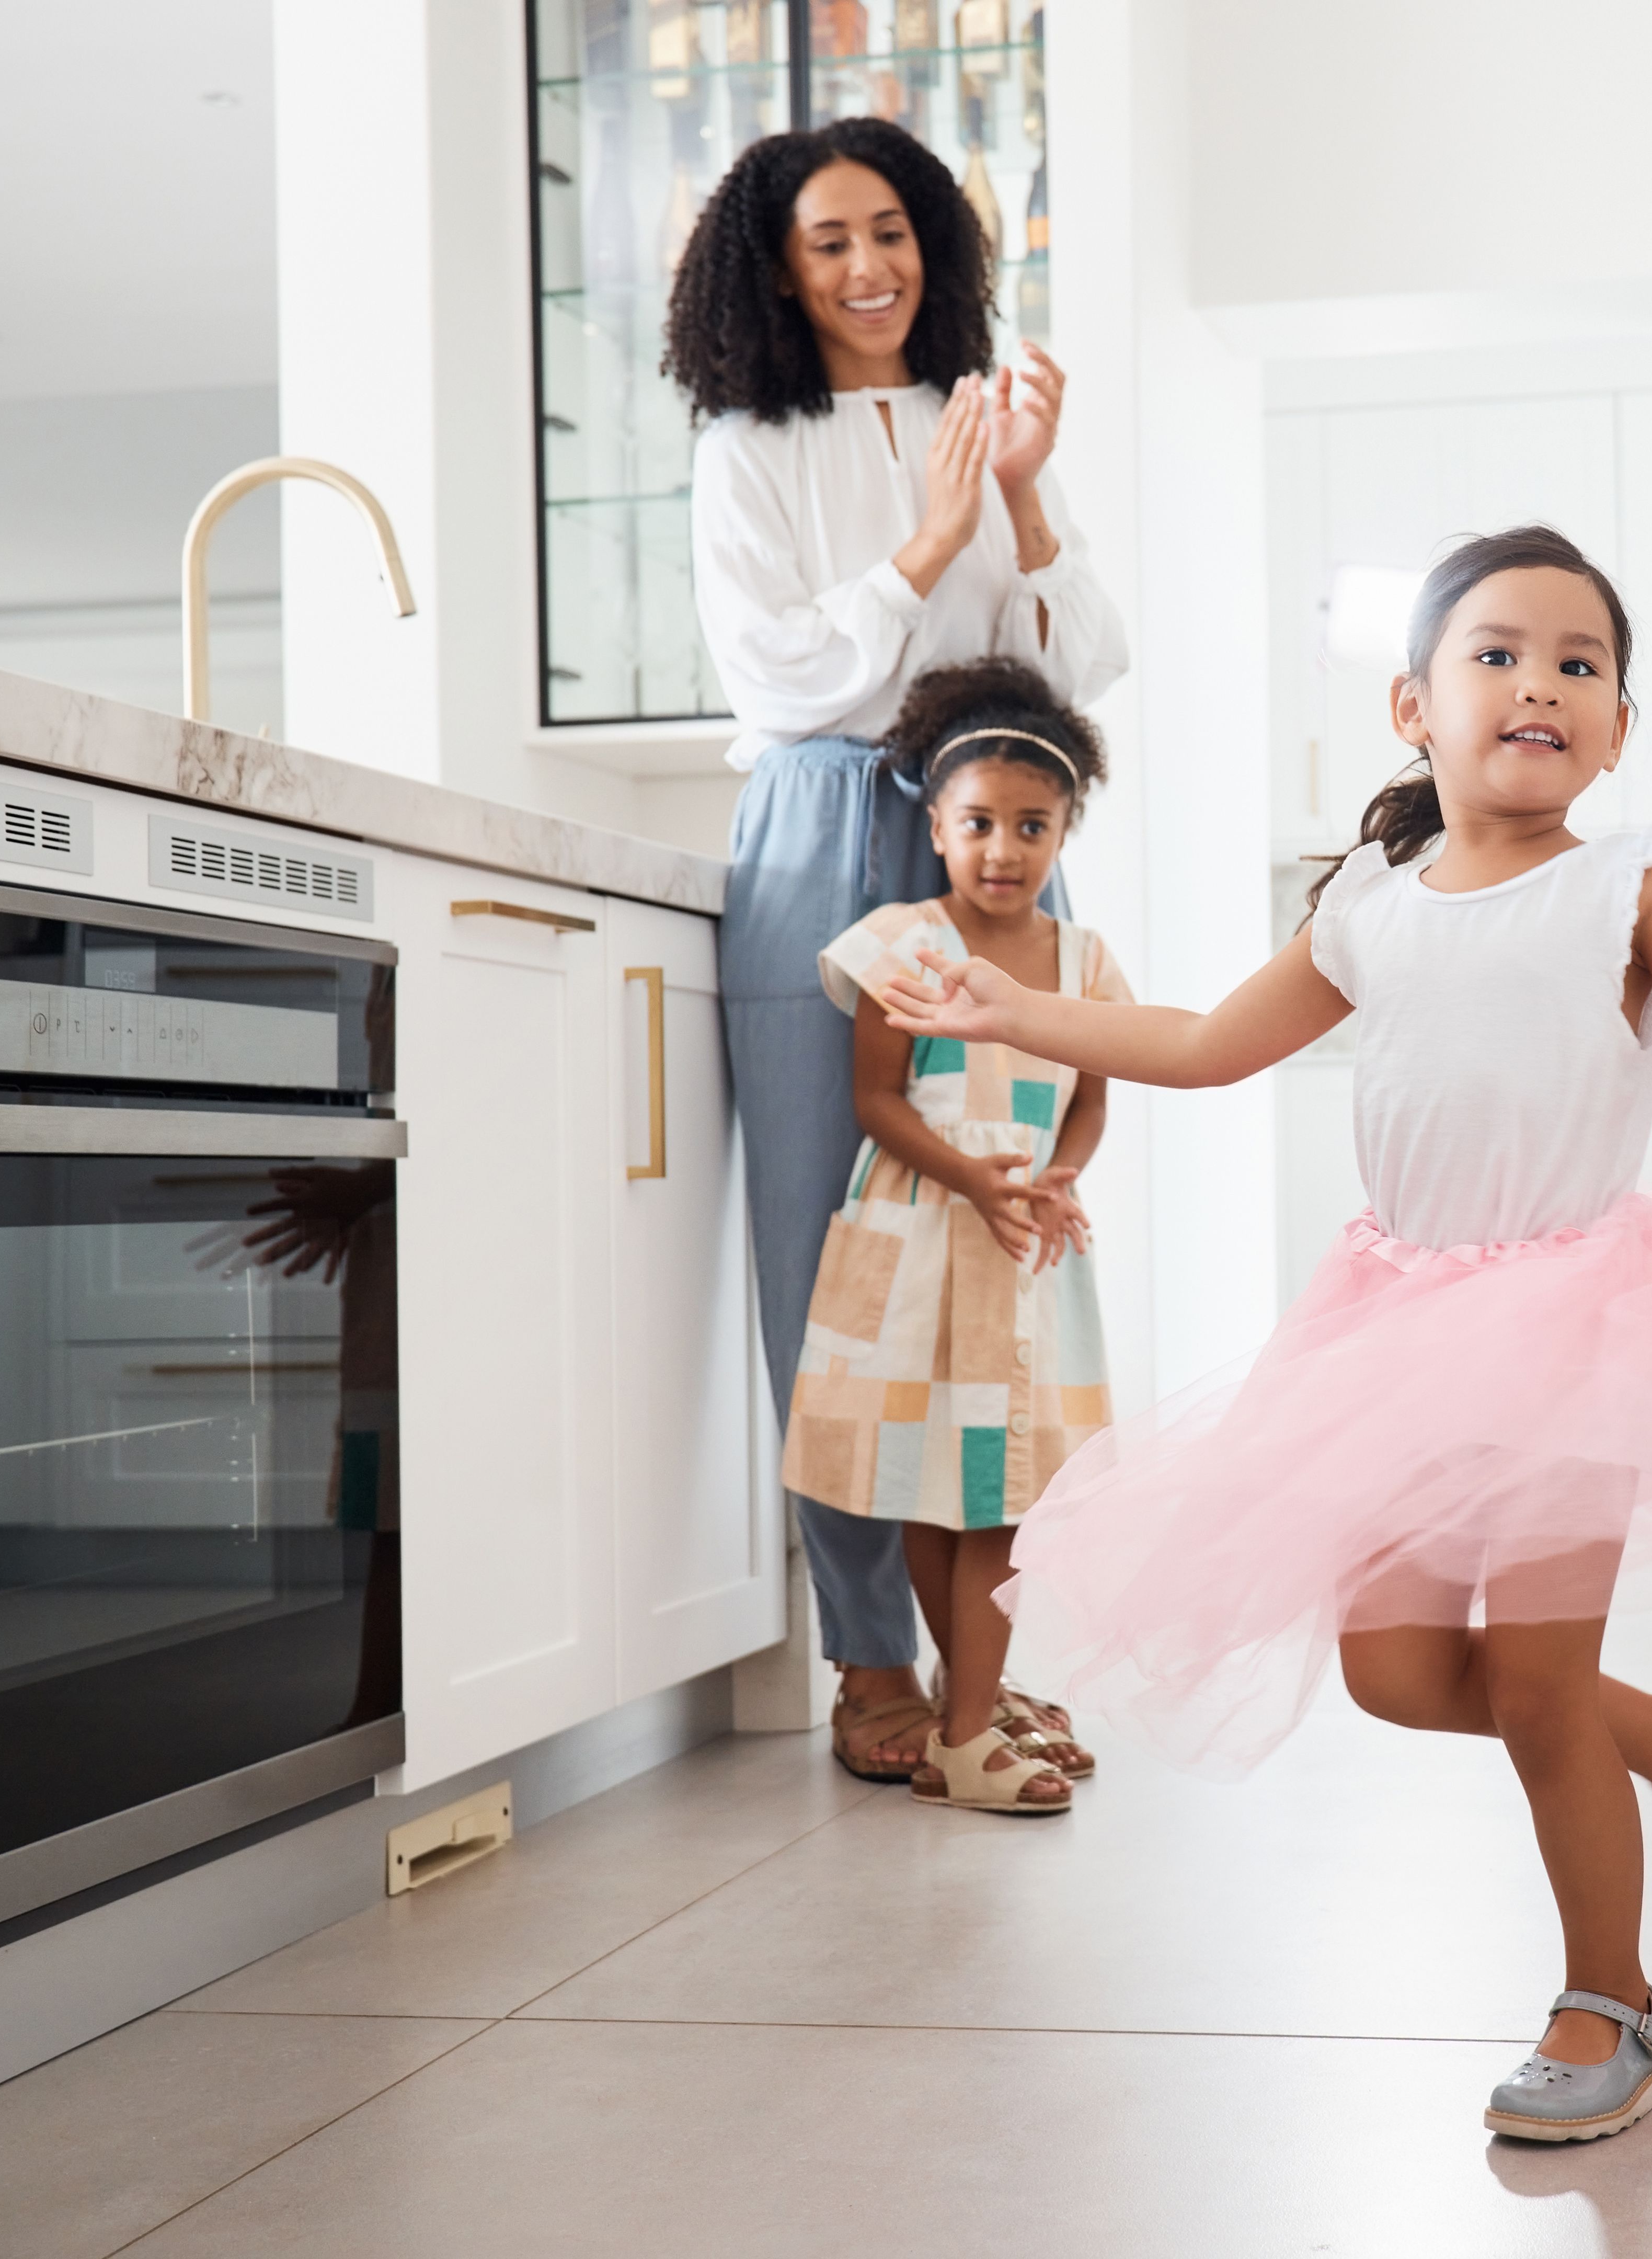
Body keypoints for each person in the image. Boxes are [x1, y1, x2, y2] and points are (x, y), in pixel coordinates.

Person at [878, 526, 1652, 2142]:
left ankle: (1612, 2003)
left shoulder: (1630, 884)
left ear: (1615, 729)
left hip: (1576, 1326)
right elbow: (1198, 1042)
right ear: (1413, 706)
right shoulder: (1367, 909)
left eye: (1577, 664)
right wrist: (1012, 1012)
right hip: (1394, 1325)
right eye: (1497, 653)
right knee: (1393, 1673)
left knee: (1537, 1686)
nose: (1539, 682)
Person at [663, 115, 1128, 1784]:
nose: (868, 267)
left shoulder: (975, 420)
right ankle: (869, 1664)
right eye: (828, 242)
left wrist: (1017, 495)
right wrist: (926, 547)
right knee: (833, 1262)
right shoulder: (745, 448)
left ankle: (975, 1673)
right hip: (817, 830)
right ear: (775, 273)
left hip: (986, 831)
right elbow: (782, 677)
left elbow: (1084, 665)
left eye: (891, 233)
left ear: (933, 244)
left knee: (999, 1238)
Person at [783, 658, 1123, 1815]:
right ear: (936, 827)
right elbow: (876, 1100)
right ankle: (969, 1728)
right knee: (941, 1485)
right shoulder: (902, 944)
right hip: (924, 1240)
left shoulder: (1085, 963)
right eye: (978, 823)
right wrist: (973, 1179)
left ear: (1064, 833)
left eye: (1032, 827)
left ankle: (968, 1713)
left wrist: (1059, 1173)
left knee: (1001, 1485)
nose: (1003, 850)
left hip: (1021, 1247)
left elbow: (1090, 1096)